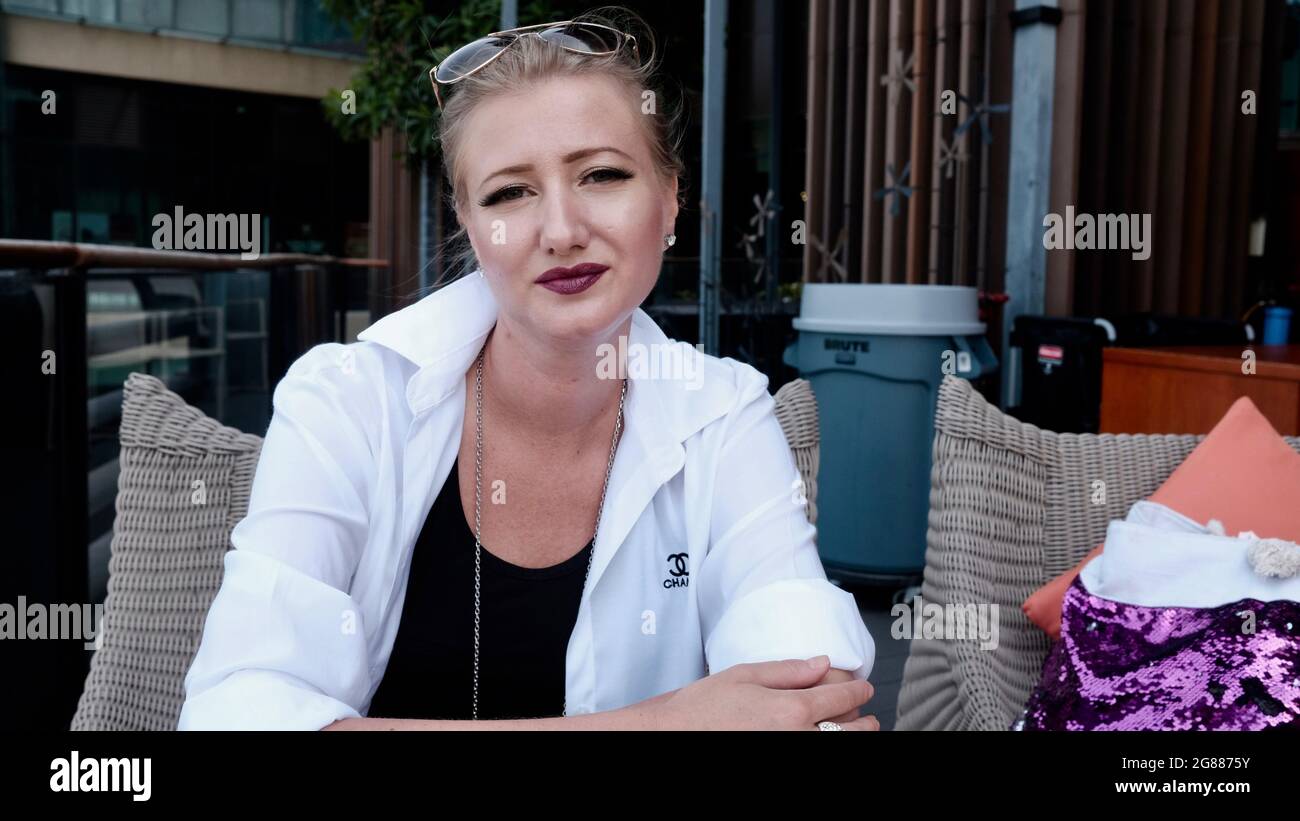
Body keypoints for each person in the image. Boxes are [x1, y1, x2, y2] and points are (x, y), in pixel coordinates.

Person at [178, 7, 877, 731]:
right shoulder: (348, 400)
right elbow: (236, 715)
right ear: (469, 222)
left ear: (670, 198)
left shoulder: (723, 412)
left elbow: (813, 694)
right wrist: (664, 723)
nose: (563, 230)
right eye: (510, 191)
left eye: (603, 174)